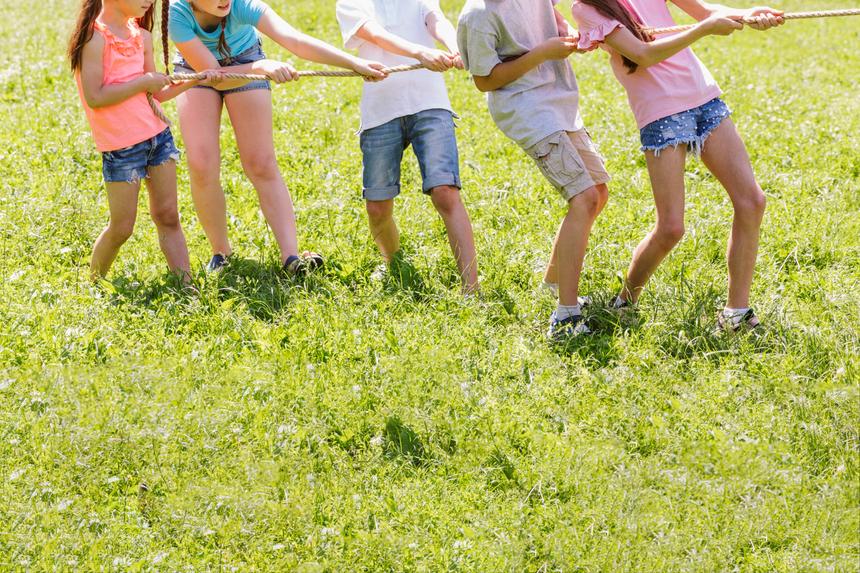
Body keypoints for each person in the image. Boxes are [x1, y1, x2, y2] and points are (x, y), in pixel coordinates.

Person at [570, 0, 783, 331]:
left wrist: (747, 14)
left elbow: (704, 11)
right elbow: (642, 55)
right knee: (671, 227)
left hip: (703, 98)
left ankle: (735, 314)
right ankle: (625, 301)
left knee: (752, 201)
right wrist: (703, 30)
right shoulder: (587, 9)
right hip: (662, 112)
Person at [165, 0, 388, 274]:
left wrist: (355, 63)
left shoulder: (241, 5)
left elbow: (295, 40)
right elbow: (215, 76)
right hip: (197, 72)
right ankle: (220, 252)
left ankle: (291, 257)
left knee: (260, 162)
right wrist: (262, 67)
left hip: (246, 58)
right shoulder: (177, 13)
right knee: (201, 163)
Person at [458, 0, 610, 338]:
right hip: (525, 107)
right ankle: (565, 317)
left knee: (598, 192)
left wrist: (569, 35)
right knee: (583, 197)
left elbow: (550, 14)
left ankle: (553, 286)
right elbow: (485, 80)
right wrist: (543, 53)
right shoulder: (479, 15)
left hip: (559, 99)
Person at [335, 0, 479, 293]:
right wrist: (420, 52)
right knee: (377, 206)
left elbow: (434, 18)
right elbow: (373, 33)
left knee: (445, 192)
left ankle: (472, 288)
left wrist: (454, 46)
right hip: (380, 111)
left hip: (430, 103)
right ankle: (394, 264)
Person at [70, 0, 200, 282]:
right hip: (122, 149)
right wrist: (143, 83)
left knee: (168, 215)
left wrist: (196, 79)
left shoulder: (140, 35)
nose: (149, 1)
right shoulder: (95, 38)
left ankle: (186, 286)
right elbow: (96, 97)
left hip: (158, 138)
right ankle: (94, 283)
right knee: (122, 227)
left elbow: (156, 93)